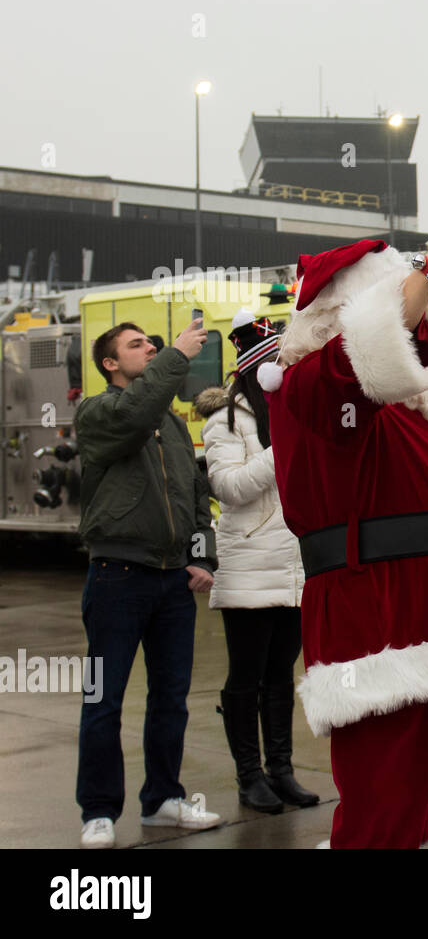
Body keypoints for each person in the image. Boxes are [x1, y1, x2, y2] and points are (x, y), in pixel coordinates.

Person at [261, 166, 428, 848]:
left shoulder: (411, 411)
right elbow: (361, 355)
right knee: (385, 817)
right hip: (383, 628)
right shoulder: (310, 387)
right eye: (393, 299)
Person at [75, 317, 222, 849]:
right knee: (104, 699)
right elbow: (133, 416)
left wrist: (203, 556)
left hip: (171, 582)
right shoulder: (98, 412)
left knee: (171, 699)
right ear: (110, 364)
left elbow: (195, 492)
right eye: (136, 345)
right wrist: (176, 356)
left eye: (152, 344)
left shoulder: (172, 424)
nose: (150, 348)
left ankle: (162, 799)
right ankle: (97, 811)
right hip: (116, 576)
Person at [196, 309, 319, 815]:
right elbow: (229, 487)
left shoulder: (290, 415)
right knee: (245, 677)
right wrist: (284, 447)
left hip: (293, 567)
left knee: (279, 677)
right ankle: (250, 775)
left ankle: (282, 770)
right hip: (249, 564)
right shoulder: (225, 421)